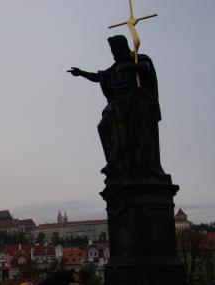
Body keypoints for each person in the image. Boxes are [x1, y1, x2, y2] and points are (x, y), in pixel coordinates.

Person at [68, 35, 163, 178]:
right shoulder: (115, 68)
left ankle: (139, 165)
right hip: (117, 104)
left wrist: (129, 66)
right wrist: (81, 73)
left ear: (122, 48)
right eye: (112, 50)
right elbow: (99, 77)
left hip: (135, 103)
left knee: (137, 134)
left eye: (114, 50)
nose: (113, 54)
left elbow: (146, 67)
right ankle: (114, 162)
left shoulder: (138, 58)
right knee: (103, 126)